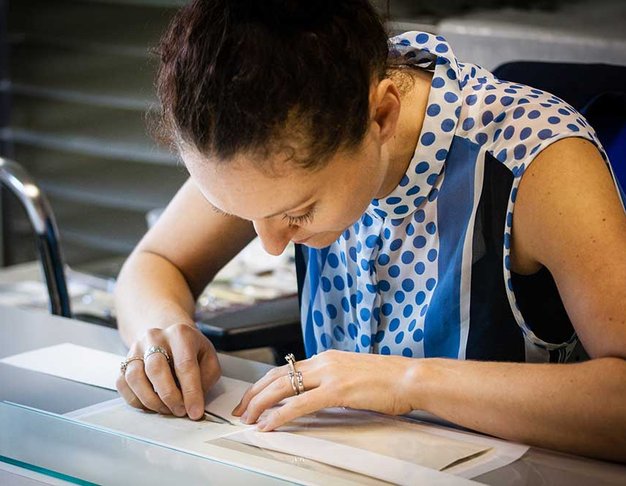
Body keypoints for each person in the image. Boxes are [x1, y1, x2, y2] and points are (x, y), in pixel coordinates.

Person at [114, 0, 626, 462]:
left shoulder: (536, 161)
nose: (269, 244)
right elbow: (156, 263)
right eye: (239, 211)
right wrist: (160, 333)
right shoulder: (266, 138)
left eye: (299, 212)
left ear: (380, 115)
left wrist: (408, 382)